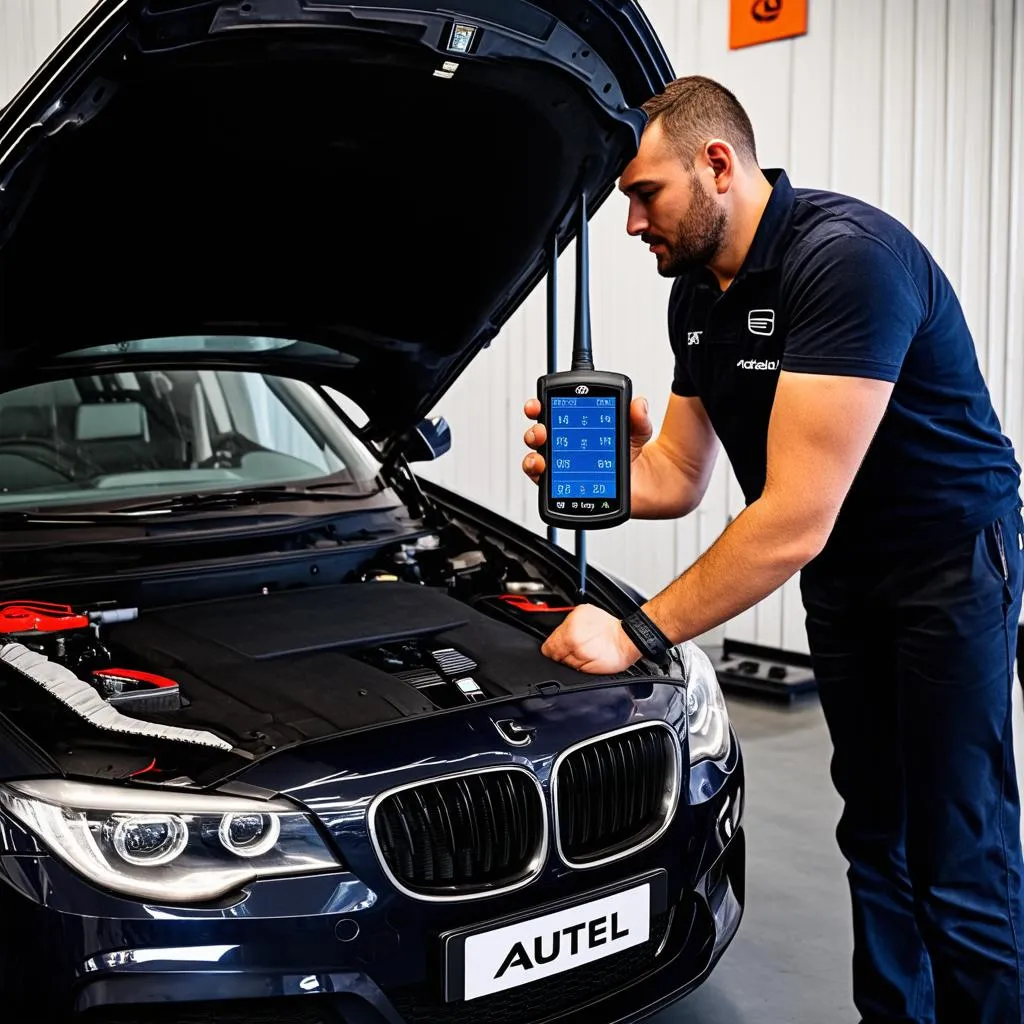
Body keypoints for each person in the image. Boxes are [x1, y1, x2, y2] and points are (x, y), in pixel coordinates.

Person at [522, 76, 1024, 1024]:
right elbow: (679, 474)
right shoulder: (699, 295)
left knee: (960, 845)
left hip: (947, 566)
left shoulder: (845, 262)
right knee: (876, 828)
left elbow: (792, 517)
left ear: (717, 164)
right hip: (846, 577)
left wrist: (635, 631)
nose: (631, 223)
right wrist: (615, 466)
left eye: (643, 194)